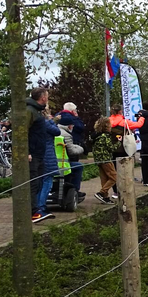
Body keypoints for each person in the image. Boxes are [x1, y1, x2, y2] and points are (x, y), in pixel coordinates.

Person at [27, 87, 60, 222]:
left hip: (40, 153)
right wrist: (27, 152)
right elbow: (23, 132)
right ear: (43, 97)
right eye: (47, 96)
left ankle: (36, 210)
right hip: (33, 153)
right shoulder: (30, 111)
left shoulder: (38, 112)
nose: (48, 98)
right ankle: (34, 212)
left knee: (39, 181)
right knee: (33, 182)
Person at [92, 117, 119, 204]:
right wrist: (119, 142)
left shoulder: (97, 136)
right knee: (114, 177)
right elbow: (110, 148)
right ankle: (102, 192)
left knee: (104, 179)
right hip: (106, 159)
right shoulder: (105, 136)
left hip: (99, 160)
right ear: (106, 126)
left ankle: (105, 197)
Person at [57, 122, 86, 200]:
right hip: (61, 165)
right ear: (69, 125)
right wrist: (81, 148)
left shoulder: (53, 131)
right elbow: (71, 151)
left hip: (48, 163)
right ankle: (75, 190)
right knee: (78, 166)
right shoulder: (66, 135)